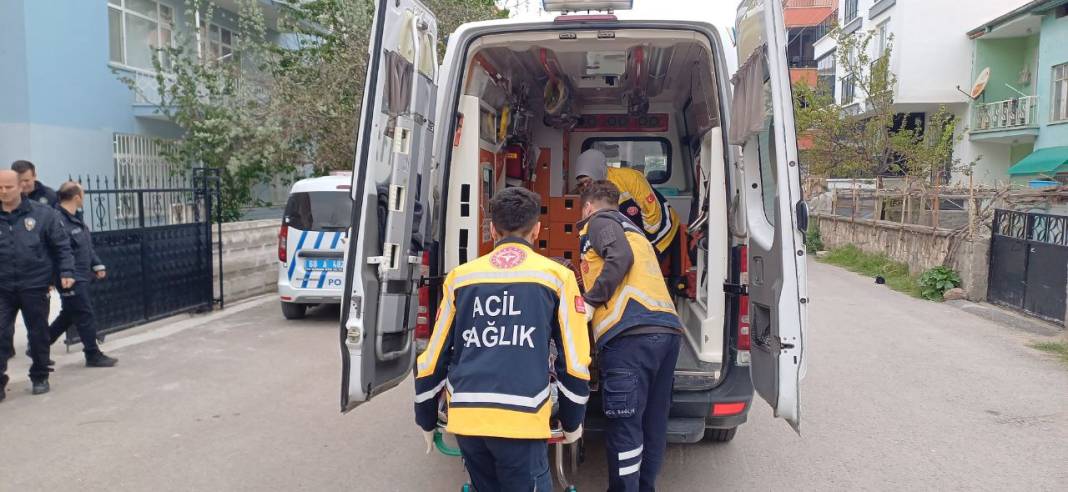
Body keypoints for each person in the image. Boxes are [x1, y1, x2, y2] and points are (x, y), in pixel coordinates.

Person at [414, 187, 591, 491]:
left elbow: (432, 359)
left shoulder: (460, 277)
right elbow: (574, 362)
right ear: (537, 230)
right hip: (522, 419)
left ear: (493, 230)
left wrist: (426, 418)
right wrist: (573, 421)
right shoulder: (556, 277)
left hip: (469, 419)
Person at [577, 180, 683, 492]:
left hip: (630, 337)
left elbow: (619, 258)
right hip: (666, 332)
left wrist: (591, 300)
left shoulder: (599, 222)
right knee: (653, 424)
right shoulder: (635, 231)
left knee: (625, 425)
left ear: (588, 207)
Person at [0, 170, 76, 400]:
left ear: (20, 187)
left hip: (34, 284)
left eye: (8, 187)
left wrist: (66, 271)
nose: (3, 192)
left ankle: (40, 375)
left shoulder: (43, 214)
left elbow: (61, 245)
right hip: (3, 286)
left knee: (38, 333)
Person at [47, 182, 117, 368]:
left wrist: (97, 264)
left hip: (81, 275)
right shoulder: (57, 221)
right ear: (77, 197)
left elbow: (86, 246)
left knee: (69, 314)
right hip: (70, 277)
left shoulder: (75, 218)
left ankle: (39, 346)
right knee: (85, 314)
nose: (83, 197)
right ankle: (92, 355)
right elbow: (61, 251)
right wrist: (64, 274)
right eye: (82, 194)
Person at [573, 149, 679, 259]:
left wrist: (645, 245)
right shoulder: (589, 190)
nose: (585, 186)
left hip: (661, 225)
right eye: (581, 184)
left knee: (645, 261)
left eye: (588, 181)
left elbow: (653, 214)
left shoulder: (630, 178)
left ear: (597, 173)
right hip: (631, 229)